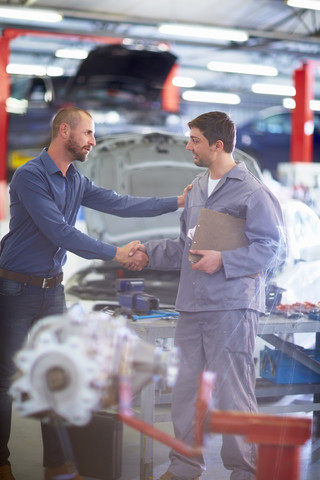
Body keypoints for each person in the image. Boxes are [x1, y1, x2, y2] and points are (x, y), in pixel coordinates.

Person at [0, 106, 192, 480]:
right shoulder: (30, 176)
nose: (92, 141)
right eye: (88, 133)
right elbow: (59, 232)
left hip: (52, 289)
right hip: (14, 288)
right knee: (6, 379)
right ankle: (1, 462)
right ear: (65, 131)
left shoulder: (76, 180)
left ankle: (56, 460)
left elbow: (120, 204)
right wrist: (116, 253)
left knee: (56, 374)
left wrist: (178, 201)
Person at [126, 111, 286, 480]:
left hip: (231, 307)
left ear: (217, 145)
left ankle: (244, 470)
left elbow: (273, 249)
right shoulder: (197, 187)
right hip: (192, 305)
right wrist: (147, 252)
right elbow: (187, 247)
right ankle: (184, 465)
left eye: (195, 140)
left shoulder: (253, 191)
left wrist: (224, 260)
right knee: (185, 392)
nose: (188, 146)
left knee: (233, 394)